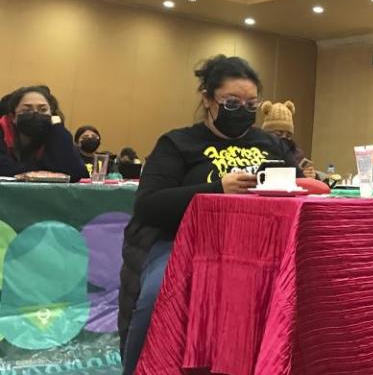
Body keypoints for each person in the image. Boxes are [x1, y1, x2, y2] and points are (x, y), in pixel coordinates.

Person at [119, 55, 300, 374]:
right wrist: (217, 189)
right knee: (157, 297)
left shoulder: (271, 144)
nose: (242, 111)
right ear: (207, 99)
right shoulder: (178, 143)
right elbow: (148, 205)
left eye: (250, 104)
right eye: (231, 103)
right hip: (184, 244)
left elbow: (300, 187)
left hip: (259, 248)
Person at [0, 85, 87, 181]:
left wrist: (58, 127)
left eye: (43, 110)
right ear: (13, 117)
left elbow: (77, 173)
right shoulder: (2, 130)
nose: (35, 114)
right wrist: (41, 173)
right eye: (27, 110)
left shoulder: (56, 133)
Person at [261, 100, 317, 179]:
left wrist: (310, 176)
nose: (284, 138)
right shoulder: (257, 151)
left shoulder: (296, 153)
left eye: (288, 136)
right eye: (278, 134)